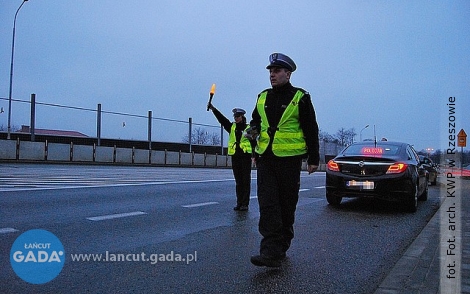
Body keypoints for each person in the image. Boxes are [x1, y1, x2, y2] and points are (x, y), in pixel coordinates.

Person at [247, 53, 320, 267]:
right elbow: (255, 124)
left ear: (288, 74)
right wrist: (253, 148)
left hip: (289, 161)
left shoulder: (300, 97)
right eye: (270, 71)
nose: (272, 74)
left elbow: (310, 128)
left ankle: (282, 245)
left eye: (277, 71)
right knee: (268, 205)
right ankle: (270, 251)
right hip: (266, 159)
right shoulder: (262, 97)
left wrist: (313, 158)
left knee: (286, 205)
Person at [207, 104, 253, 211]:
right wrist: (214, 109)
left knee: (245, 181)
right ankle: (239, 202)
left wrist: (255, 155)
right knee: (238, 181)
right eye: (235, 117)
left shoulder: (248, 128)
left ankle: (245, 204)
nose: (236, 118)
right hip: (235, 157)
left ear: (242, 117)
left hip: (245, 157)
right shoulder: (232, 127)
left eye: (237, 116)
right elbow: (222, 119)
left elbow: (255, 142)